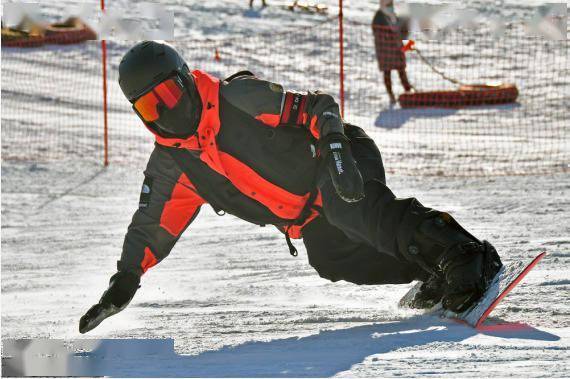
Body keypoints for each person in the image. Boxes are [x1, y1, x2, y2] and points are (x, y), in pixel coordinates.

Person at [79, 41, 502, 334]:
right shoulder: (174, 163)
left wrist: (336, 150)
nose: (166, 111)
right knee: (331, 258)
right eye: (151, 106)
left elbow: (319, 108)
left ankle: (463, 253)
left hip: (337, 157)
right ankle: (433, 270)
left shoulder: (238, 99)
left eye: (169, 94)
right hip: (305, 212)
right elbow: (151, 225)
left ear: (186, 81)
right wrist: (126, 280)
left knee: (351, 208)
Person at [372, 0, 414, 104]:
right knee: (387, 72)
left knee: (401, 70)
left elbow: (401, 29)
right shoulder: (379, 17)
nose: (390, 6)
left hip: (396, 49)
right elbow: (378, 32)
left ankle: (408, 90)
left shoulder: (393, 15)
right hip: (385, 51)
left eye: (391, 4)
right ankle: (391, 95)